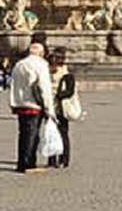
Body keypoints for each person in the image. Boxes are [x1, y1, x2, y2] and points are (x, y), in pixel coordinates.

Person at [9, 41, 55, 173]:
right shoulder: (41, 65)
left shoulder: (19, 64)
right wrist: (49, 108)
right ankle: (28, 163)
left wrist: (13, 102)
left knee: (23, 134)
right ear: (41, 53)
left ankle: (23, 162)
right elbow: (45, 88)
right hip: (34, 104)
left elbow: (13, 84)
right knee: (32, 135)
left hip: (20, 103)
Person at [48, 49, 77, 169]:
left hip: (61, 109)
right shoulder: (47, 74)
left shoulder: (67, 75)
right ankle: (52, 158)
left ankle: (64, 159)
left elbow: (69, 91)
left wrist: (57, 95)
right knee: (50, 134)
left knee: (63, 134)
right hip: (50, 108)